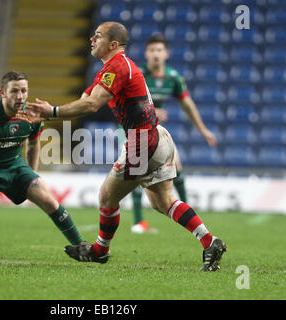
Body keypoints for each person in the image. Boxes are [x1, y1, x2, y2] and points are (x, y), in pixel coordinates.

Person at [18, 22, 226, 271]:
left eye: (98, 36)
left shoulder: (118, 66)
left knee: (107, 196)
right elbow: (86, 98)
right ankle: (210, 241)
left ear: (113, 44)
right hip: (157, 137)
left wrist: (51, 112)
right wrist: (49, 113)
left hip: (142, 143)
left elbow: (93, 105)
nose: (91, 40)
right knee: (163, 202)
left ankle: (99, 251)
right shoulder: (112, 68)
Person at [0, 71, 84, 260]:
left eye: (24, 91)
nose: (20, 96)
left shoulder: (30, 114)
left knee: (49, 200)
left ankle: (81, 245)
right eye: (14, 91)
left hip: (15, 166)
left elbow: (33, 143)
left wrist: (32, 173)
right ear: (3, 93)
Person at [127, 34, 218, 234]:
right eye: (152, 50)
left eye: (159, 50)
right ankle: (138, 222)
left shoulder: (173, 77)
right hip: (131, 128)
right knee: (137, 168)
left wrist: (203, 131)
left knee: (176, 164)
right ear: (146, 53)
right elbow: (126, 103)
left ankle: (188, 213)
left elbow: (188, 105)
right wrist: (150, 111)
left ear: (166, 53)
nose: (155, 54)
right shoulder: (138, 74)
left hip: (153, 129)